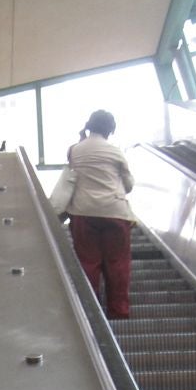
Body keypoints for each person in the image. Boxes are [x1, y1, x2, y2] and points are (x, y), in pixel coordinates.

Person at [66, 110, 135, 319]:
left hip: (84, 213)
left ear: (90, 125)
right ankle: (119, 312)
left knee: (88, 263)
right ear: (110, 129)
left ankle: (91, 312)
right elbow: (129, 184)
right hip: (115, 213)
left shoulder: (74, 150)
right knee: (118, 265)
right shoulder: (115, 151)